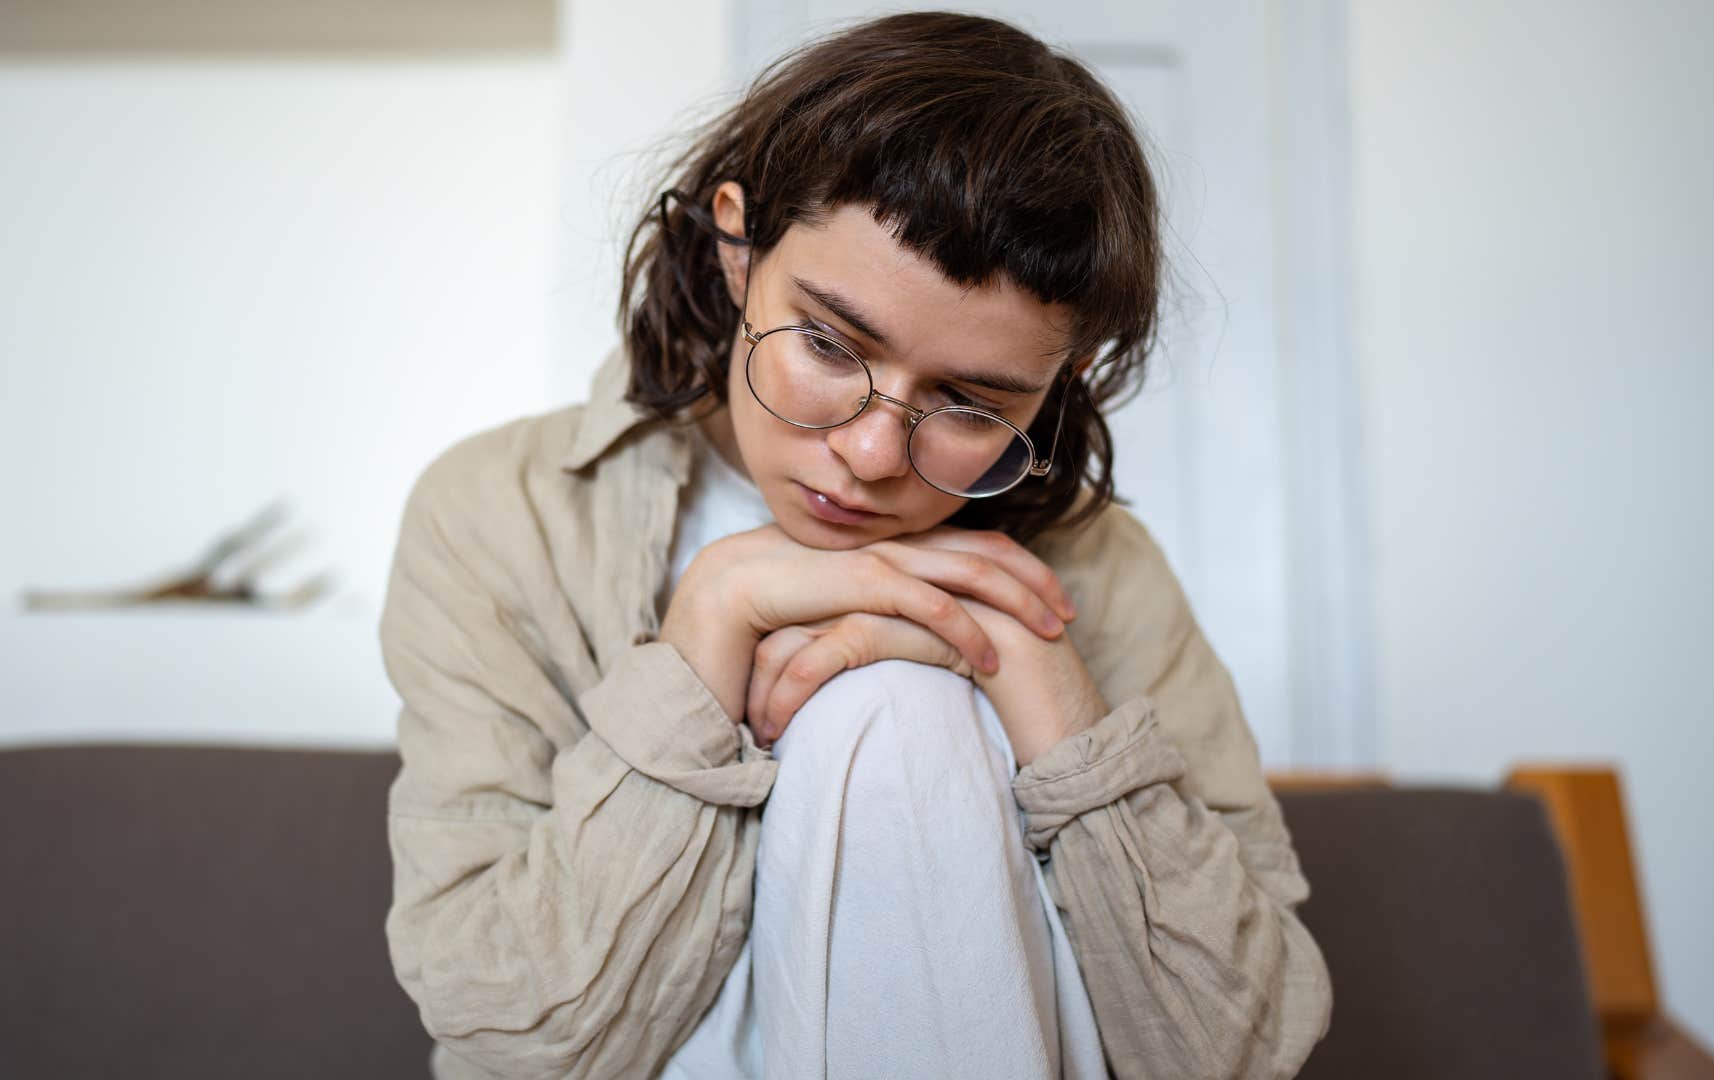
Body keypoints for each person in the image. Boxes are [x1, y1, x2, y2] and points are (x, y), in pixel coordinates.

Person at [380, 11, 1333, 1080]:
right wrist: (703, 646)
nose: (874, 453)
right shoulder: (502, 513)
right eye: (830, 344)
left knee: (903, 703)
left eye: (973, 403)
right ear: (737, 246)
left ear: (1057, 385)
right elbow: (505, 1035)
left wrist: (1041, 690)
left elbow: (1248, 1052)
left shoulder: (1102, 571)